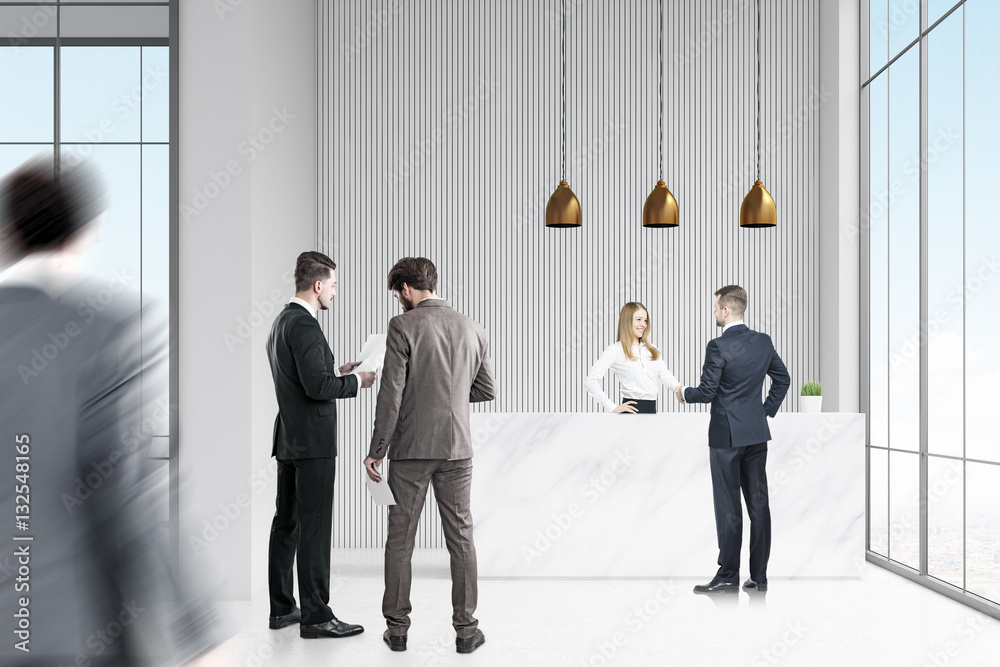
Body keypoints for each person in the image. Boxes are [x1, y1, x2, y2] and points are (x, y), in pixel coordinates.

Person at [0, 156, 226, 665]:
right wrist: (197, 626)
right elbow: (129, 497)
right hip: (73, 632)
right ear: (84, 233)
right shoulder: (103, 331)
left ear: (9, 232)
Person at [362, 257, 495, 654]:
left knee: (401, 539)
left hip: (412, 450)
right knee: (462, 539)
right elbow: (486, 389)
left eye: (396, 293)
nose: (398, 301)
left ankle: (398, 630)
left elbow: (391, 396)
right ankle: (467, 631)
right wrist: (448, 394)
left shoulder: (403, 326)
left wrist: (375, 452)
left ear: (405, 289)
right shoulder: (474, 327)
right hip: (458, 450)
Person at [265, 251, 375, 638]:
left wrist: (337, 371)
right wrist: (357, 381)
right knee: (313, 529)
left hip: (289, 439)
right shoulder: (306, 325)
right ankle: (316, 616)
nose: (334, 292)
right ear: (317, 285)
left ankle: (282, 610)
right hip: (313, 443)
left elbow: (304, 380)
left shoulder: (281, 322)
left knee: (287, 524)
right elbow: (316, 388)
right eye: (333, 285)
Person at [675, 285, 790, 594]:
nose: (714, 312)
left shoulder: (718, 346)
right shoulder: (763, 342)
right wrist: (763, 411)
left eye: (715, 308)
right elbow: (783, 379)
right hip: (755, 435)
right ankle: (759, 577)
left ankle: (728, 575)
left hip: (727, 437)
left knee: (729, 506)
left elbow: (707, 392)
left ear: (726, 310)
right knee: (759, 505)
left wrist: (684, 393)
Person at [585, 301, 679, 414]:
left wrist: (678, 388)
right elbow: (590, 381)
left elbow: (664, 375)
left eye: (645, 320)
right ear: (627, 320)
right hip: (631, 412)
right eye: (638, 319)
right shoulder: (615, 350)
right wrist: (612, 407)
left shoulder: (651, 349)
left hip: (652, 411)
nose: (643, 324)